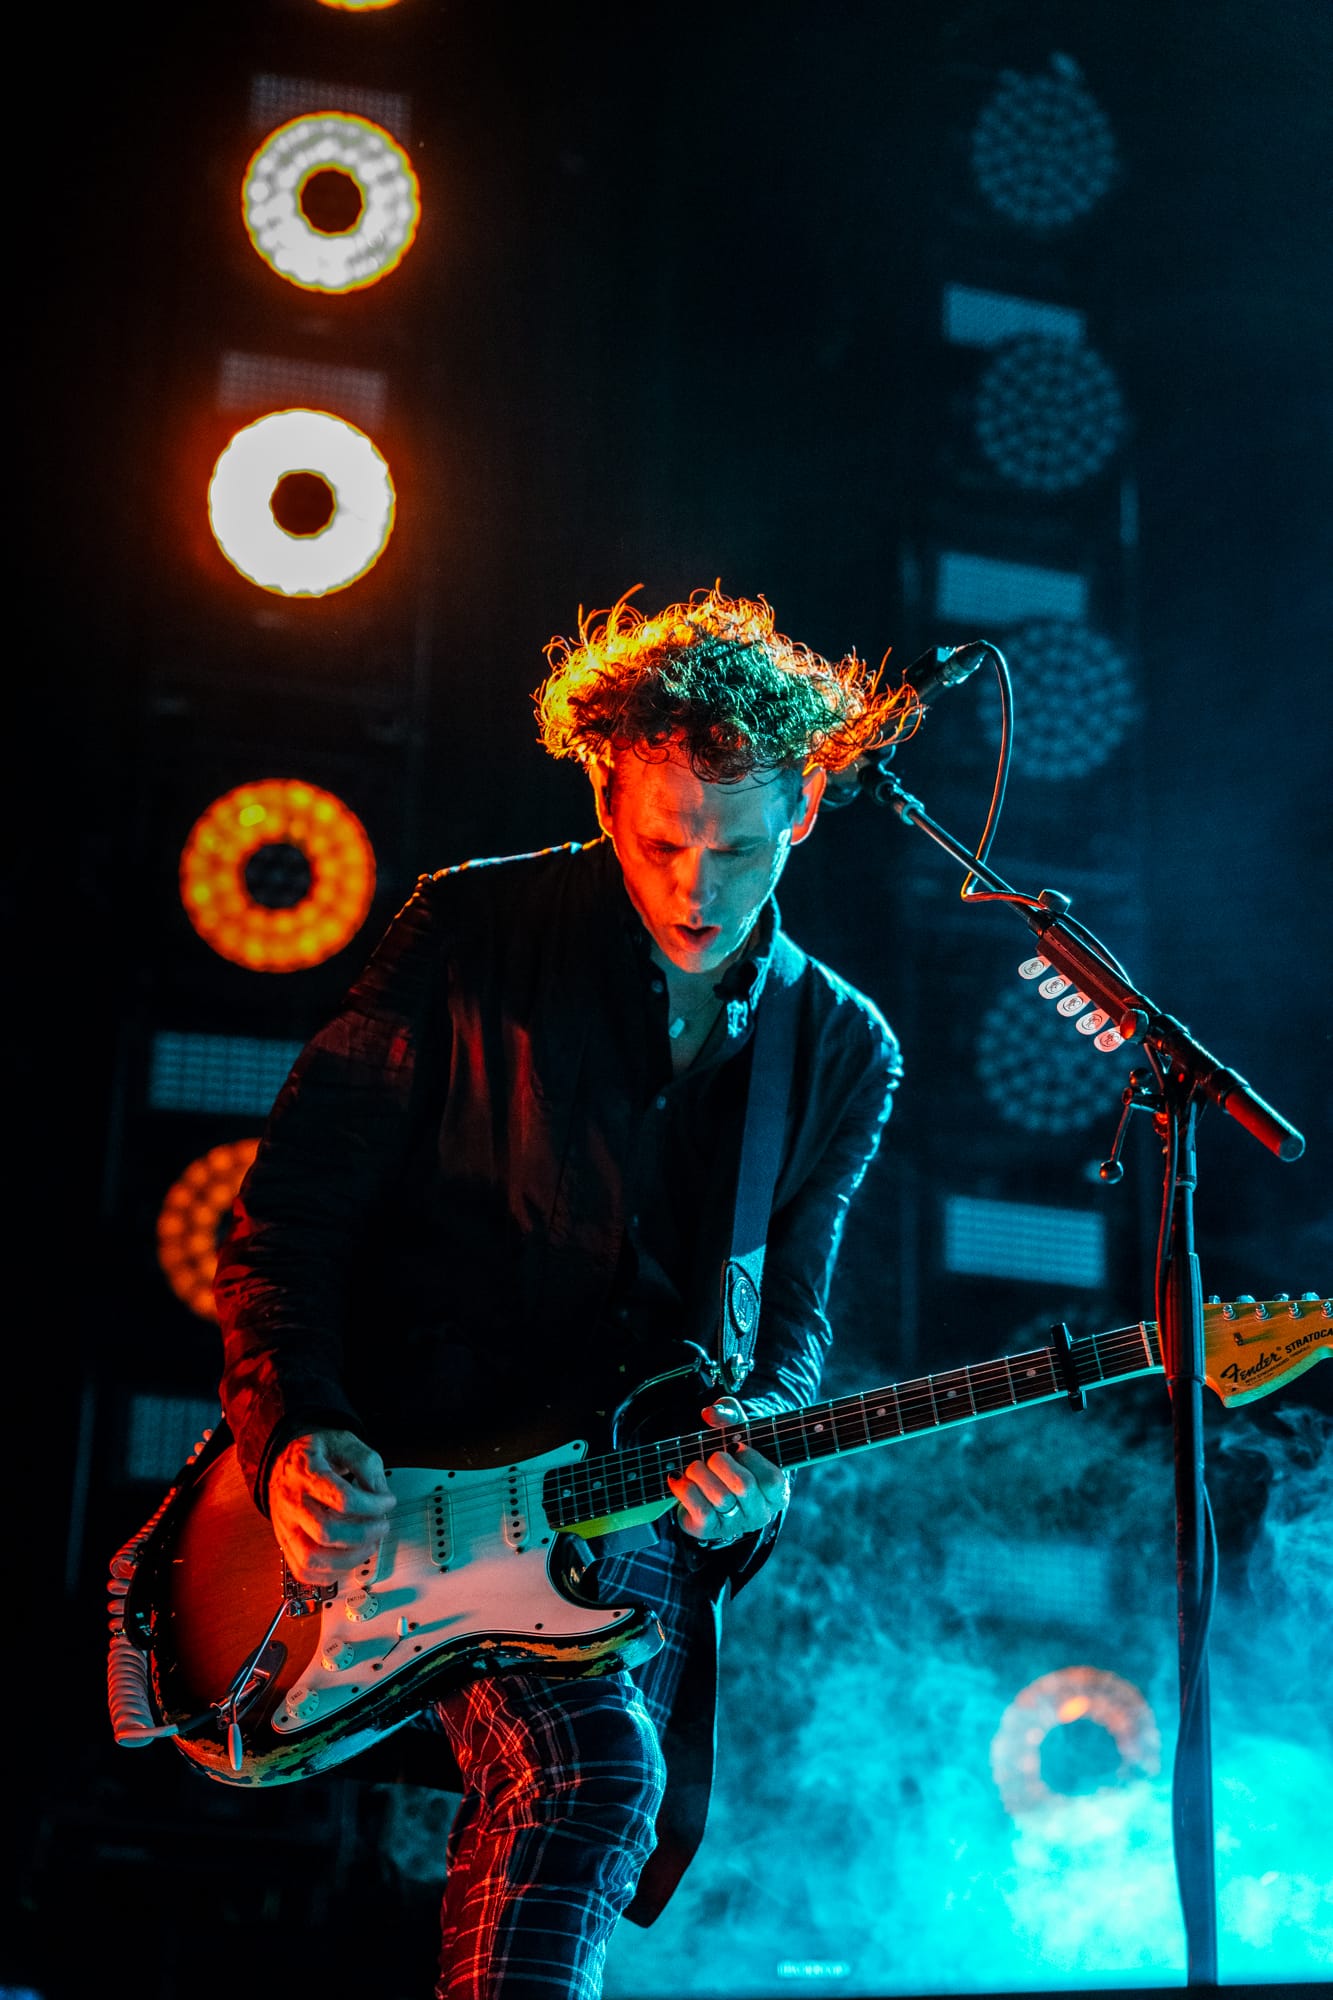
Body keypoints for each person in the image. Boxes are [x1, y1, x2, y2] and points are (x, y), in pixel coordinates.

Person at [213, 583, 914, 1998]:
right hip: (409, 1472)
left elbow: (786, 1333)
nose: (697, 888)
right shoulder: (467, 928)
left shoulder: (841, 1048)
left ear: (805, 811)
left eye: (738, 847)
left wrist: (758, 1452)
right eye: (662, 842)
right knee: (595, 1776)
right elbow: (291, 1218)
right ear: (605, 794)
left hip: (618, 1513)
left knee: (586, 1790)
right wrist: (295, 1429)